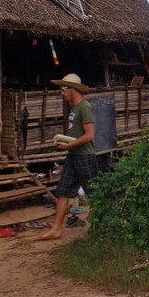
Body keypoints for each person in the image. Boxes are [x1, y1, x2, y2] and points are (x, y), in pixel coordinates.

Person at [39, 73, 97, 239]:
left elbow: (89, 135)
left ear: (73, 89)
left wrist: (68, 145)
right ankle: (56, 229)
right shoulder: (75, 108)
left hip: (85, 156)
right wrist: (64, 141)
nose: (62, 92)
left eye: (64, 89)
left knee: (94, 193)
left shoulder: (85, 107)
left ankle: (104, 227)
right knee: (62, 191)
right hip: (73, 155)